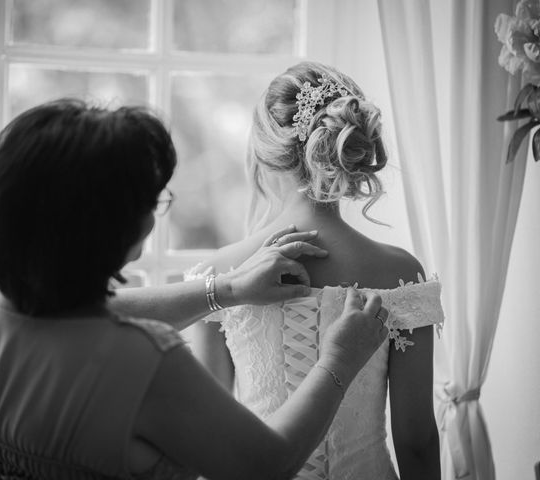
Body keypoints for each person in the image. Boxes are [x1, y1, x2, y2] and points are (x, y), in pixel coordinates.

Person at [0, 98, 389, 480]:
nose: (157, 215)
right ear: (103, 227)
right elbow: (266, 466)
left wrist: (228, 289)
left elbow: (97, 312)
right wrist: (338, 361)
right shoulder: (144, 362)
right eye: (152, 200)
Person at [187, 62, 444, 480]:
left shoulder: (220, 274)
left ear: (264, 153)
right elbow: (416, 440)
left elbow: (212, 440)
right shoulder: (400, 273)